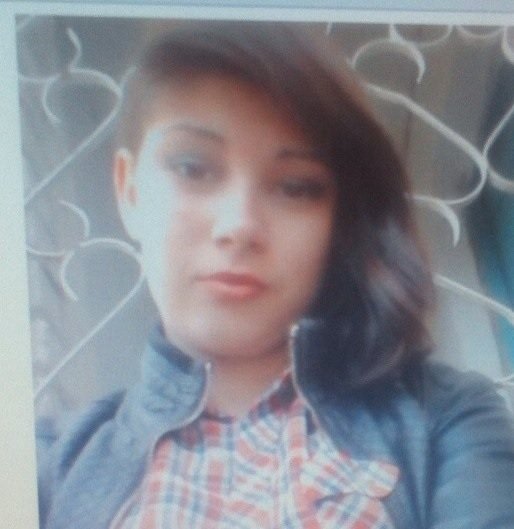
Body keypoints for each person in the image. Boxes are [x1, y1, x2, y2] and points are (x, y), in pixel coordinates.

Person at [36, 22, 514, 529]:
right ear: (129, 190)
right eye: (193, 168)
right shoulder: (46, 462)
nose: (239, 225)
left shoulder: (446, 418)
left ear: (337, 222)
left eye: (296, 187)